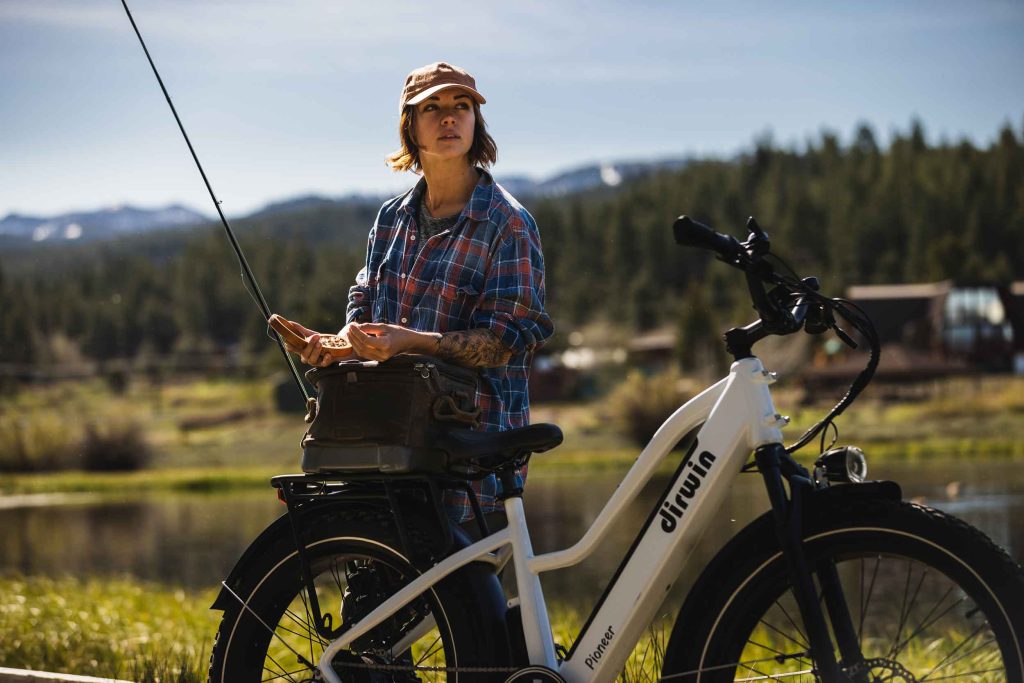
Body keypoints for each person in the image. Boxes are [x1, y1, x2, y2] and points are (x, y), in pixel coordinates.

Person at [279, 61, 553, 527]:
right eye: (433, 107)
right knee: (372, 597)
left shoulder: (507, 223)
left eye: (461, 106)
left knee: (466, 597)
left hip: (469, 458)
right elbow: (363, 308)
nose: (449, 117)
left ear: (475, 124)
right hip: (383, 447)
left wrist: (413, 340)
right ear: (411, 127)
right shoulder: (390, 219)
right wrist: (339, 345)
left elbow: (504, 343)